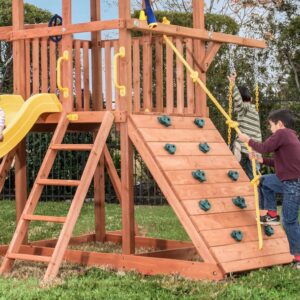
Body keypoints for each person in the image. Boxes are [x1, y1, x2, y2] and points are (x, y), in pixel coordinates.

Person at [238, 109, 300, 268]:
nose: (271, 130)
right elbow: (280, 163)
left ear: (280, 124)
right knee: (263, 181)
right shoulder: (290, 137)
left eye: (271, 126)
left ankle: (298, 258)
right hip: (287, 181)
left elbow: (265, 147)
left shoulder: (283, 133)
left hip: (293, 184)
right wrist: (261, 160)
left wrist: (248, 140)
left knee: (289, 221)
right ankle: (271, 214)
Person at [228, 73, 262, 179]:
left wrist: (233, 85)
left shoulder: (244, 108)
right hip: (256, 147)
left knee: (238, 141)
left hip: (245, 145)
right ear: (251, 98)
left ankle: (236, 148)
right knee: (253, 174)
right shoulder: (254, 110)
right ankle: (257, 192)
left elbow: (239, 102)